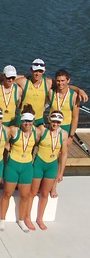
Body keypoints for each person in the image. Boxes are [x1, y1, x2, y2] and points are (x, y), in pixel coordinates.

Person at [0, 104, 42, 233]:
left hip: (27, 167)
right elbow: (3, 138)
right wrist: (8, 148)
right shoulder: (13, 130)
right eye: (24, 121)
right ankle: (2, 219)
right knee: (7, 193)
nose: (26, 124)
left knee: (24, 195)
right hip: (13, 165)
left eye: (29, 121)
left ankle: (21, 220)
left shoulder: (37, 132)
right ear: (21, 121)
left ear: (33, 121)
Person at [25, 111, 68, 230]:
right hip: (39, 164)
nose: (55, 124)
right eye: (53, 121)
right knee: (32, 192)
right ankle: (27, 217)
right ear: (49, 120)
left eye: (58, 122)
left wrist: (61, 172)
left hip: (52, 165)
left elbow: (64, 154)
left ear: (61, 122)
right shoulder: (42, 130)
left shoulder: (63, 134)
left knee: (44, 193)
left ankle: (40, 218)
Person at [15, 58, 87, 127]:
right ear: (31, 70)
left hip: (38, 120)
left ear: (44, 71)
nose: (37, 74)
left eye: (40, 71)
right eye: (35, 71)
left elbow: (64, 86)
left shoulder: (48, 82)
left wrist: (78, 90)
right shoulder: (23, 81)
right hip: (23, 118)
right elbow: (7, 80)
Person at [47, 69, 79, 198]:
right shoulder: (51, 92)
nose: (60, 83)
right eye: (58, 81)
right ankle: (46, 182)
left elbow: (75, 118)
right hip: (52, 126)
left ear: (68, 81)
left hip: (65, 128)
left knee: (61, 157)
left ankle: (54, 186)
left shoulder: (74, 96)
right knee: (50, 155)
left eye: (63, 81)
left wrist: (71, 135)